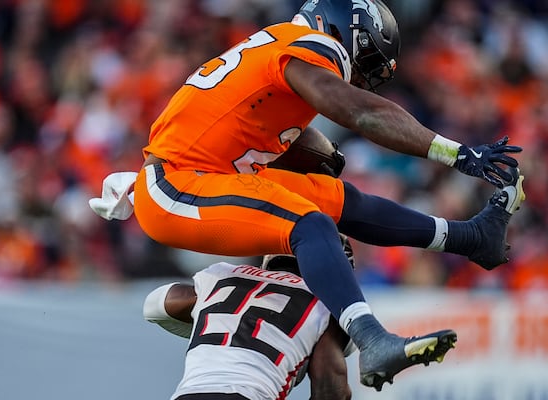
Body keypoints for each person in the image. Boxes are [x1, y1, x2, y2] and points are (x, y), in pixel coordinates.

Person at [90, 0, 525, 391]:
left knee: (335, 199)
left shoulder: (276, 49)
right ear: (343, 30)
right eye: (366, 57)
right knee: (311, 224)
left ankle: (468, 237)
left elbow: (160, 304)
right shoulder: (310, 43)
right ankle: (371, 338)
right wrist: (456, 152)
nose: (360, 73)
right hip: (178, 182)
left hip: (204, 173)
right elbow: (360, 111)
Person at [143, 242, 361, 400]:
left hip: (187, 395)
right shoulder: (328, 305)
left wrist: (210, 311)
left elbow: (155, 305)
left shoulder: (220, 276)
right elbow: (331, 391)